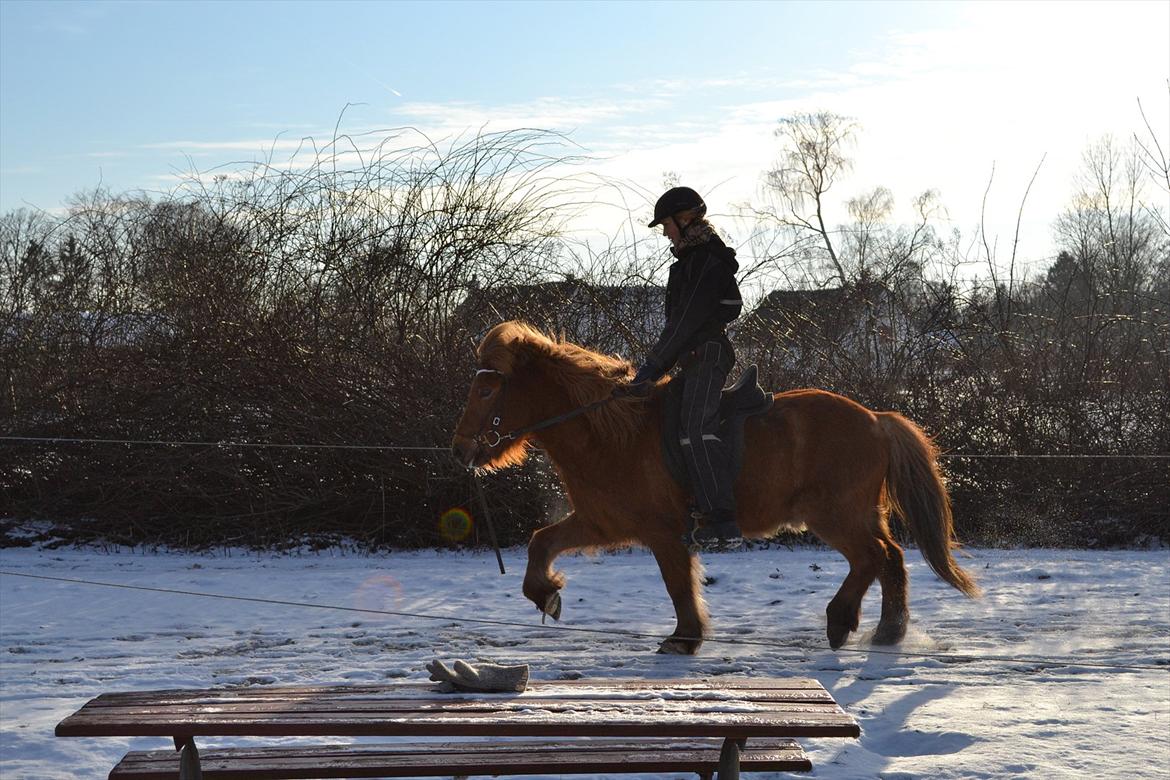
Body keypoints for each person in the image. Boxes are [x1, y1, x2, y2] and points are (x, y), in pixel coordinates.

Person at [628, 186, 743, 547]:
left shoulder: (706, 262)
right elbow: (677, 325)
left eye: (667, 225)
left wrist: (652, 367)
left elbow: (684, 323)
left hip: (708, 355)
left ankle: (721, 518)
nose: (664, 232)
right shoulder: (689, 263)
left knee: (695, 426)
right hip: (690, 359)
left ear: (685, 219)